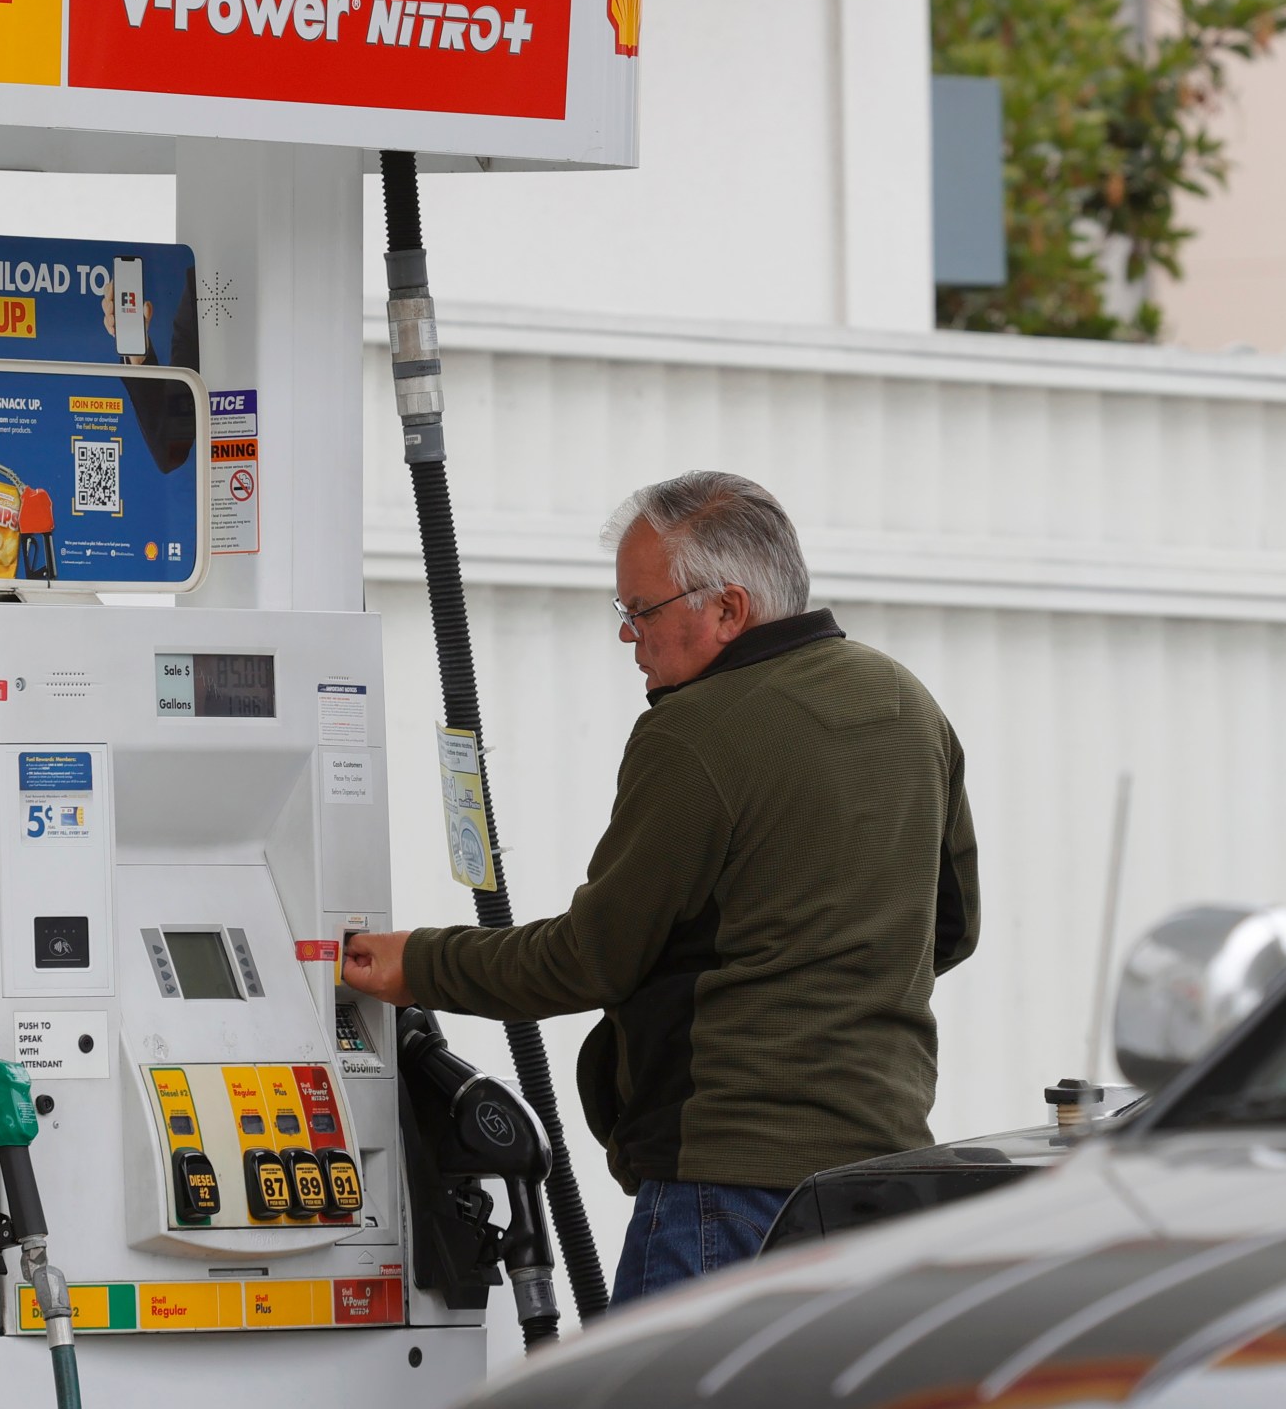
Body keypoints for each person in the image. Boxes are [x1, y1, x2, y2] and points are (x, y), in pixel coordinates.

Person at [343, 470, 979, 1305]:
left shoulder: (696, 734)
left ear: (727, 610)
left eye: (639, 612)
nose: (627, 637)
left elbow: (586, 960)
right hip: (881, 1186)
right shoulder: (906, 703)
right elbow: (952, 928)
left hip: (725, 1192)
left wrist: (414, 963)